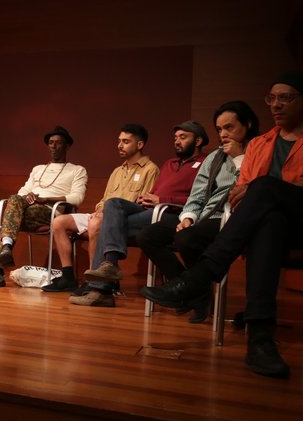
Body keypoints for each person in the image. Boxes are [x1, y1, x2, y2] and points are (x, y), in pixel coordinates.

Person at [141, 72, 303, 379]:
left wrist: (270, 188)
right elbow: (240, 192)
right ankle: (260, 339)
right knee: (269, 219)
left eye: (285, 97)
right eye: (272, 98)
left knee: (265, 189)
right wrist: (260, 192)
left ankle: (200, 276)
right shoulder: (261, 144)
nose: (276, 105)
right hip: (275, 223)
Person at [137, 101, 261, 321]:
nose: (223, 134)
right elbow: (197, 194)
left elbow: (252, 188)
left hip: (232, 217)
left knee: (187, 239)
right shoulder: (215, 157)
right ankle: (193, 291)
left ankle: (190, 291)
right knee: (148, 235)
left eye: (229, 127)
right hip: (204, 216)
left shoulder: (259, 151)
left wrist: (239, 157)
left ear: (248, 124)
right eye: (219, 129)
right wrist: (188, 217)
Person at [69, 120, 208, 307]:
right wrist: (149, 198)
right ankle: (107, 270)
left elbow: (199, 199)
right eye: (175, 137)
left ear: (198, 140)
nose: (177, 141)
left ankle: (101, 288)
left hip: (174, 213)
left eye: (183, 137)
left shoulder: (205, 163)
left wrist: (162, 200)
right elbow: (156, 190)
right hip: (150, 208)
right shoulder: (169, 164)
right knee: (113, 204)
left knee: (107, 225)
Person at [42, 124, 159, 293]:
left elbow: (142, 205)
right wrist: (99, 209)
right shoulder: (117, 171)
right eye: (119, 141)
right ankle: (68, 277)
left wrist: (103, 214)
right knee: (59, 222)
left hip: (122, 219)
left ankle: (95, 281)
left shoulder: (150, 169)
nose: (119, 145)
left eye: (125, 141)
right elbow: (104, 199)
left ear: (139, 145)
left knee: (95, 224)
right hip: (102, 214)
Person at [0, 127, 87, 288]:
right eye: (50, 143)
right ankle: (6, 247)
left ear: (67, 146)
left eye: (58, 143)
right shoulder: (38, 169)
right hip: (27, 211)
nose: (53, 146)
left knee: (10, 217)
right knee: (14, 199)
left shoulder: (77, 170)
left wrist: (46, 199)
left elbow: (77, 198)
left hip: (51, 212)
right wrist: (27, 197)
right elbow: (22, 192)